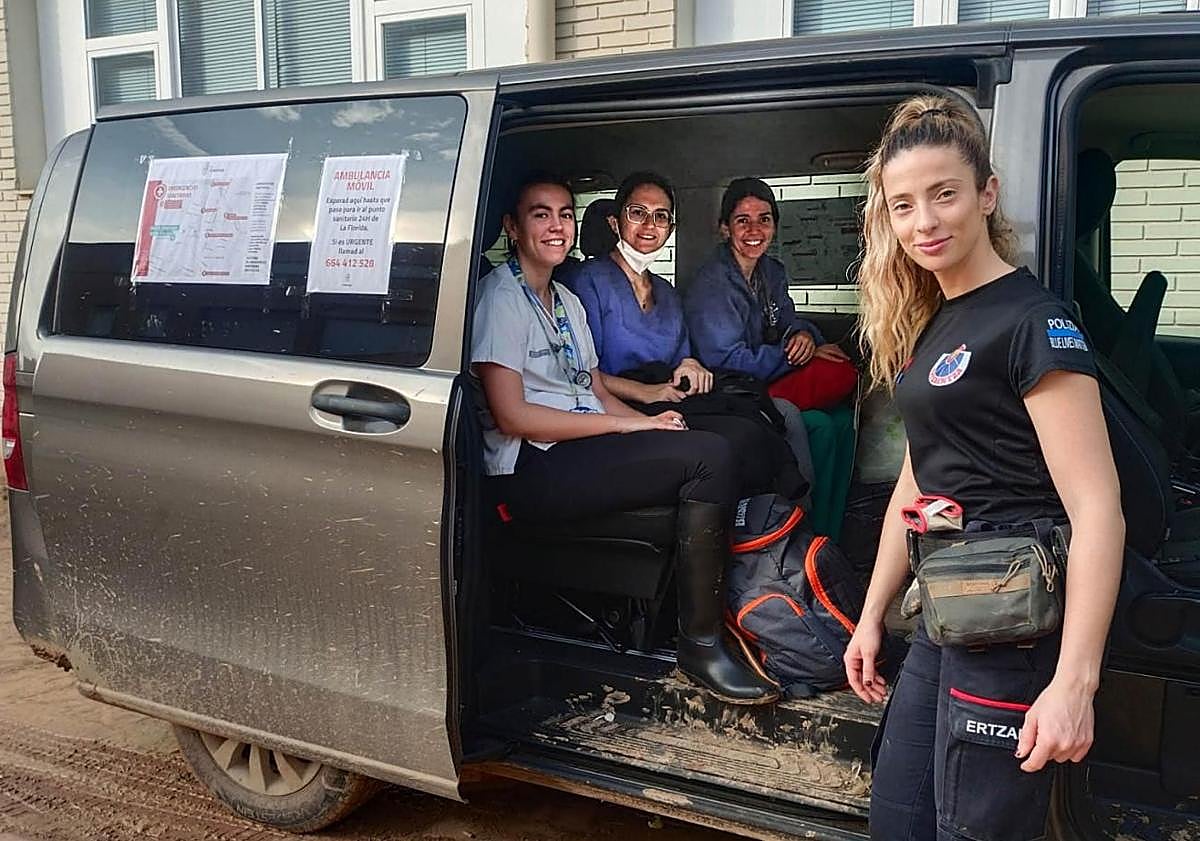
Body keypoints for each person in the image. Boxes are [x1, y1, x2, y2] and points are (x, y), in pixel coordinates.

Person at [842, 95, 1124, 840]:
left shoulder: (1034, 322)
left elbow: (1098, 510)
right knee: (897, 819)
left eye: (945, 194)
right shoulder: (934, 321)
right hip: (947, 608)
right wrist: (871, 615)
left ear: (986, 194)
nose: (924, 222)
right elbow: (918, 479)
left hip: (1012, 621)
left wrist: (1075, 684)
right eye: (903, 205)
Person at [471, 173, 779, 705]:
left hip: (580, 445)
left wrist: (650, 421)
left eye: (565, 214)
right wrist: (629, 424)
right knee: (708, 457)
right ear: (512, 228)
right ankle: (699, 645)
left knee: (717, 437)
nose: (557, 226)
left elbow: (592, 388)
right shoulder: (501, 298)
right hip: (530, 465)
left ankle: (733, 607)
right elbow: (513, 416)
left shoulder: (563, 300)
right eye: (541, 214)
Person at [562, 171, 802, 499]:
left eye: (661, 217)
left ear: (670, 229)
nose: (649, 225)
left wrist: (690, 365)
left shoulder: (666, 292)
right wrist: (646, 392)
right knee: (734, 441)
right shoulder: (586, 282)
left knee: (752, 427)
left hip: (668, 398)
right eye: (637, 213)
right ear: (615, 223)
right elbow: (577, 373)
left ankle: (776, 516)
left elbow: (682, 360)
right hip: (614, 407)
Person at [684, 178, 856, 538]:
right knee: (819, 425)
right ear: (724, 228)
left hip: (767, 380)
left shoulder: (771, 272)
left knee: (841, 420)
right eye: (742, 220)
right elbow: (726, 359)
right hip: (732, 392)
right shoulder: (712, 285)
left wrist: (805, 336)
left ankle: (832, 536)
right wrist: (794, 357)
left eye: (764, 219)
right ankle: (806, 535)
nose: (754, 230)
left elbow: (788, 321)